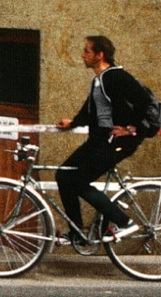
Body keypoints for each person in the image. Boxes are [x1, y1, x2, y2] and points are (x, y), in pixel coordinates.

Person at [54, 35, 155, 244]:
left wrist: (131, 128)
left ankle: (124, 223)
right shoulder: (99, 80)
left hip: (117, 143)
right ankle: (77, 233)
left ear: (100, 55)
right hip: (99, 141)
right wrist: (73, 123)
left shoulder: (114, 77)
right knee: (63, 175)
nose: (83, 54)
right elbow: (91, 109)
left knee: (78, 180)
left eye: (87, 51)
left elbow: (143, 100)